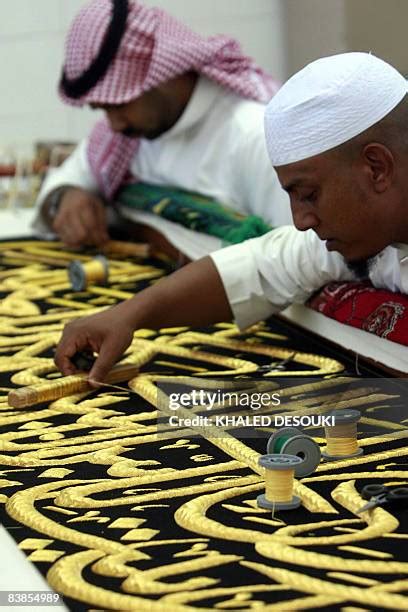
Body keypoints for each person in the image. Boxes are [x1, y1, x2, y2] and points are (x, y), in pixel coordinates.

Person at [55, 51, 408, 383]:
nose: (301, 220)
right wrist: (130, 316)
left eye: (309, 195)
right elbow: (263, 266)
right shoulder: (370, 230)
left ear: (377, 168)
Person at [32, 0, 292, 260]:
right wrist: (65, 197)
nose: (113, 124)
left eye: (119, 104)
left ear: (164, 74)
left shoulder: (256, 135)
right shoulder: (125, 137)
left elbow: (297, 260)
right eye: (102, 109)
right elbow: (66, 179)